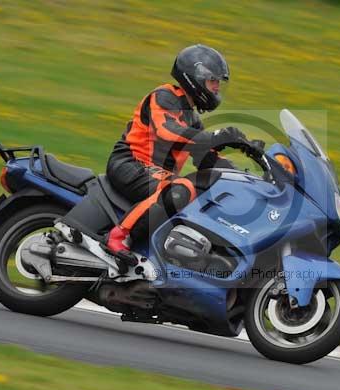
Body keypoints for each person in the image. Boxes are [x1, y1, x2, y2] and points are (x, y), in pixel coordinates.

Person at [105, 44, 247, 262]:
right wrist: (220, 135)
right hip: (131, 163)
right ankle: (119, 237)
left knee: (202, 193)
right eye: (213, 81)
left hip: (154, 172)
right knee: (180, 188)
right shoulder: (164, 96)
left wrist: (243, 178)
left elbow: (206, 157)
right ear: (195, 78)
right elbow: (168, 131)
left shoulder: (191, 117)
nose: (217, 88)